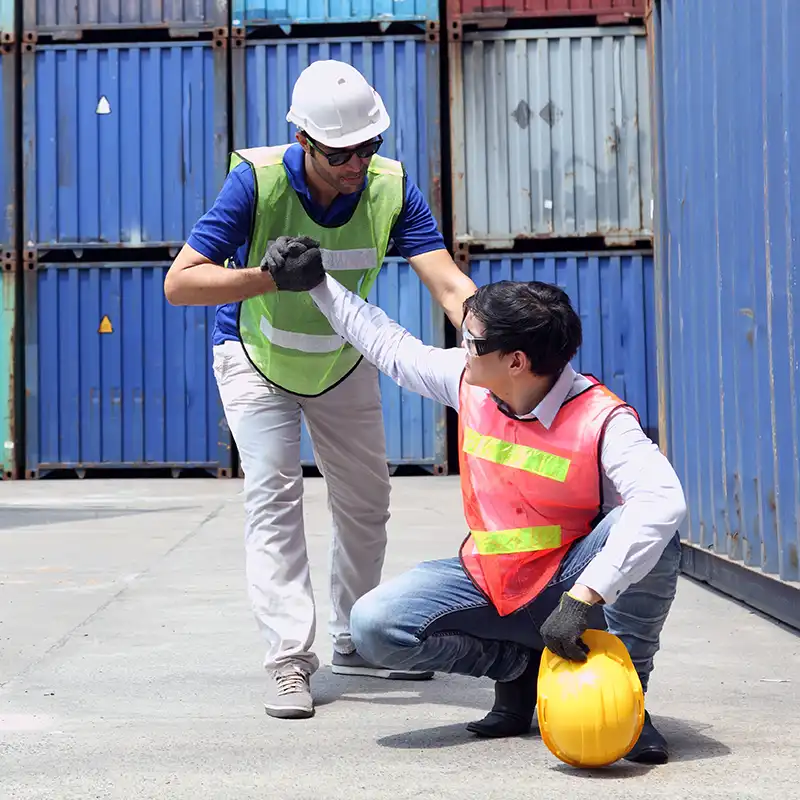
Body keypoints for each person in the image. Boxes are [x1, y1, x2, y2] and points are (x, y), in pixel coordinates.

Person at [269, 242, 687, 764]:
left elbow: (663, 499)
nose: (463, 348)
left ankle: (630, 696)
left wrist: (586, 595)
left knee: (655, 525)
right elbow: (389, 346)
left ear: (515, 360)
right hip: (491, 578)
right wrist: (318, 285)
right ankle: (515, 665)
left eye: (472, 341)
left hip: (569, 579)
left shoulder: (602, 419)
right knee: (373, 625)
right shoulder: (470, 383)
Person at [163, 60, 477, 721]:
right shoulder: (256, 180)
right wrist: (268, 278)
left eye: (369, 147)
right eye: (340, 153)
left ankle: (359, 640)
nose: (356, 163)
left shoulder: (392, 189)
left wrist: (501, 341)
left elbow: (448, 284)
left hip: (341, 360)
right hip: (256, 356)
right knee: (274, 498)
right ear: (303, 141)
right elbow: (180, 283)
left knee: (367, 502)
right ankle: (287, 662)